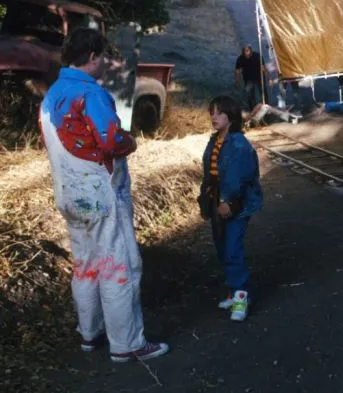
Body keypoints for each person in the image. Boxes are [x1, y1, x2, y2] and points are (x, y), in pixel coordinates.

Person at [39, 28, 169, 362]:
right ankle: (127, 344)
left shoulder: (52, 95)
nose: (105, 63)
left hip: (68, 194)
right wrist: (131, 141)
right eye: (103, 57)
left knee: (85, 265)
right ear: (93, 56)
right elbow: (111, 140)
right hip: (100, 194)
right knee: (119, 264)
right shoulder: (90, 94)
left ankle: (90, 332)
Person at [198, 95, 263, 322]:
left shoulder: (238, 143)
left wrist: (228, 201)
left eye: (219, 112)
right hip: (217, 201)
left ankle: (241, 297)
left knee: (233, 248)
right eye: (212, 112)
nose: (214, 117)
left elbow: (238, 177)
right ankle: (233, 291)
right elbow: (208, 175)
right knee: (223, 248)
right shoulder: (215, 140)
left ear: (231, 116)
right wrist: (205, 202)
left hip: (237, 203)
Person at [235, 45, 265, 111]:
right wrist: (237, 81)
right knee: (250, 95)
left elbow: (263, 68)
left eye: (248, 51)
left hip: (259, 78)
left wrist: (269, 78)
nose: (246, 53)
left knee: (262, 93)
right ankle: (253, 109)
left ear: (251, 51)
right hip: (248, 79)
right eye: (245, 51)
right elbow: (237, 71)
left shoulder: (257, 56)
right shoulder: (240, 59)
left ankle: (265, 107)